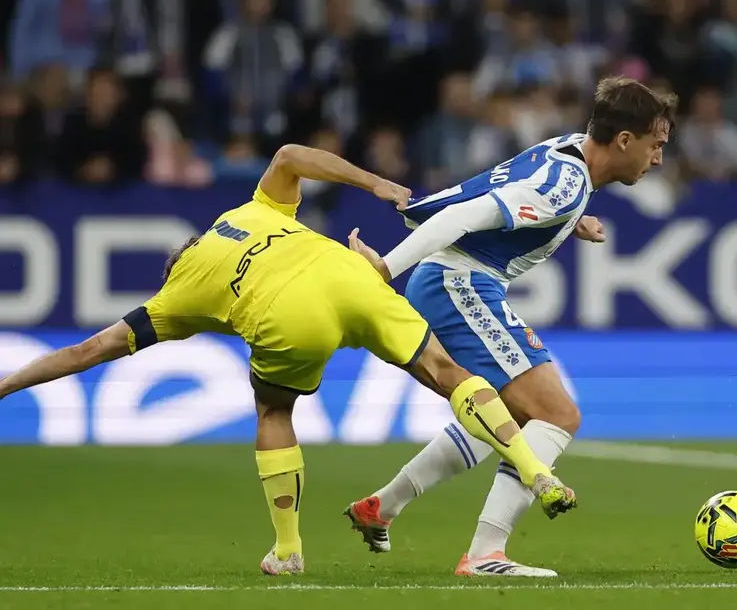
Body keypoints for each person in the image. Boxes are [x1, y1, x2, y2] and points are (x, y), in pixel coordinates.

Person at [0, 144, 575, 576]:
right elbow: (289, 155)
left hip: (291, 317)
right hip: (351, 277)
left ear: (175, 267)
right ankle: (536, 472)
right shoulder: (249, 210)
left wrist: (6, 385)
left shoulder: (174, 298)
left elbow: (86, 351)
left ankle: (288, 549)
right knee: (453, 375)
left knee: (274, 411)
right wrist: (376, 183)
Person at [345, 77, 677, 577]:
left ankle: (382, 506)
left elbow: (512, 192)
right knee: (557, 414)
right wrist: (385, 269)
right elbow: (462, 215)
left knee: (506, 417)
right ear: (625, 140)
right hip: (458, 284)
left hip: (450, 281)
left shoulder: (568, 151)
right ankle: (485, 554)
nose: (659, 159)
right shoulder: (566, 187)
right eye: (655, 145)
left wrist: (570, 221)